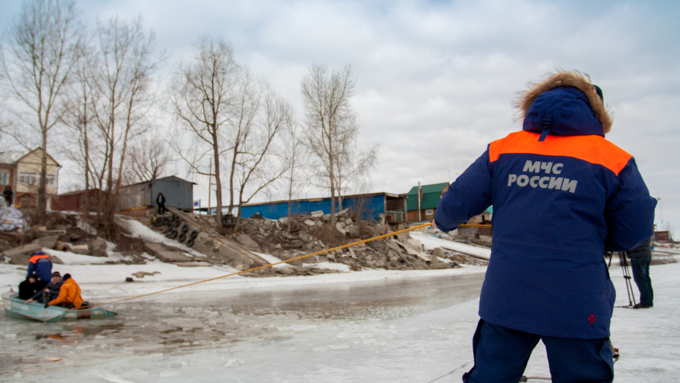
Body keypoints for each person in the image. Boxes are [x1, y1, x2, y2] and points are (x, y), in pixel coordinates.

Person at [434, 70, 656, 383]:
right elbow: (635, 230)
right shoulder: (612, 158)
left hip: (507, 298)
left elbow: (449, 212)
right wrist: (598, 240)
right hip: (578, 300)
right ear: (597, 114)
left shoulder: (503, 150)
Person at [627, 236, 654, 309]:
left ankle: (645, 302)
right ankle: (648, 301)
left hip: (638, 255)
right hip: (646, 254)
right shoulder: (646, 227)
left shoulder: (637, 229)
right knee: (645, 279)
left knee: (640, 279)